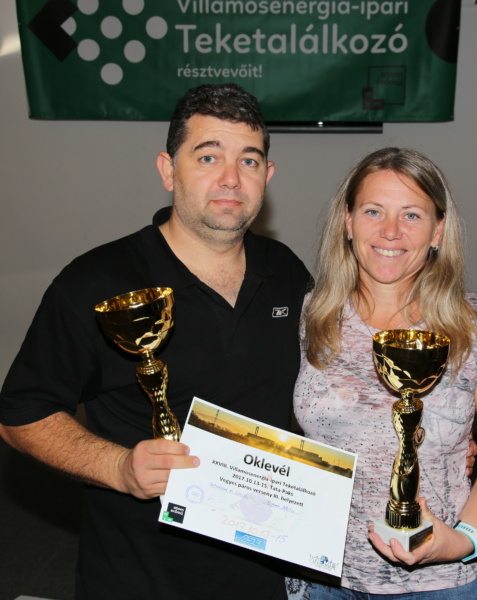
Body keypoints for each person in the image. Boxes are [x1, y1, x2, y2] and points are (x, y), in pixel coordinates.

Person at [0, 84, 312, 599]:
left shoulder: (286, 271)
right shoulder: (95, 282)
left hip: (268, 573)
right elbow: (21, 414)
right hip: (140, 579)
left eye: (249, 160)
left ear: (267, 176)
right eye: (207, 156)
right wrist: (118, 468)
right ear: (168, 170)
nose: (231, 178)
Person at [286, 148, 477, 599]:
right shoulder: (308, 318)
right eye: (373, 211)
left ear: (438, 230)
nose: (391, 231)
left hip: (435, 584)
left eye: (412, 215)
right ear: (347, 221)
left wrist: (464, 539)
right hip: (320, 574)